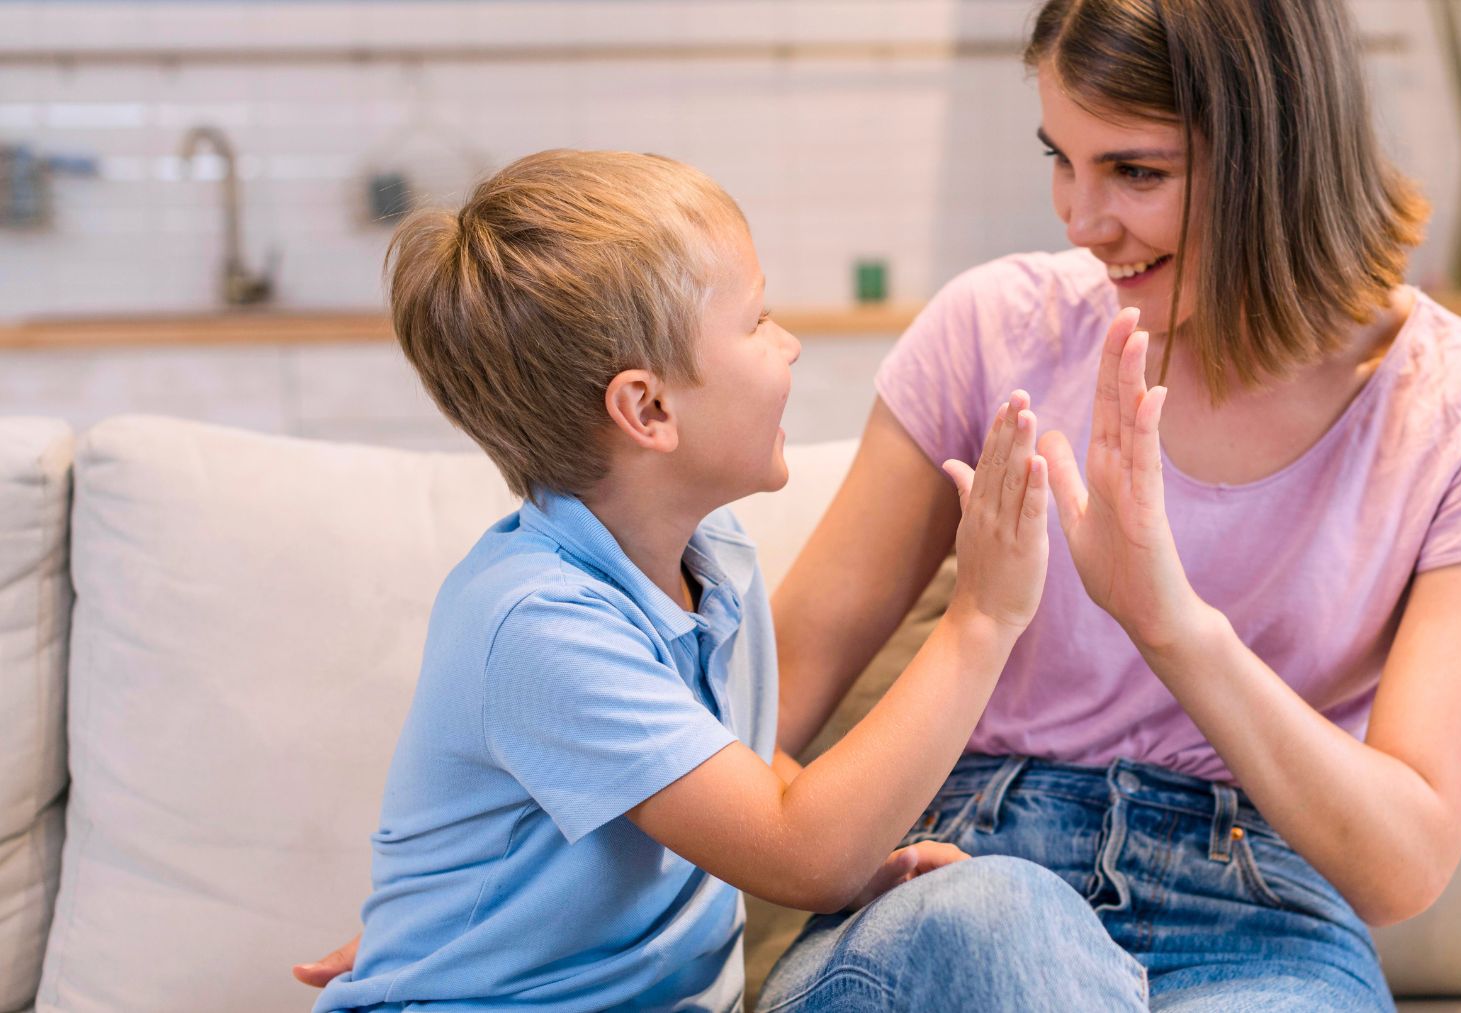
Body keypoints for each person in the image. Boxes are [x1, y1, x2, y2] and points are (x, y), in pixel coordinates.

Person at [303, 0, 1461, 1007]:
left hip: (1261, 920)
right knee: (1005, 923)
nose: (1084, 220)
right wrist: (489, 906)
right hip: (968, 873)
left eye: (1134, 169)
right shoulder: (993, 327)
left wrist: (1166, 617)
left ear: (1277, 151)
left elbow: (1402, 860)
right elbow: (755, 723)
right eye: (1061, 161)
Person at [306, 148, 1150, 1012]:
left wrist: (872, 863)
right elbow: (798, 854)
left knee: (997, 913)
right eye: (757, 321)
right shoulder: (537, 622)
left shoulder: (716, 559)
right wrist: (982, 615)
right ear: (649, 410)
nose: (788, 343)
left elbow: (742, 770)